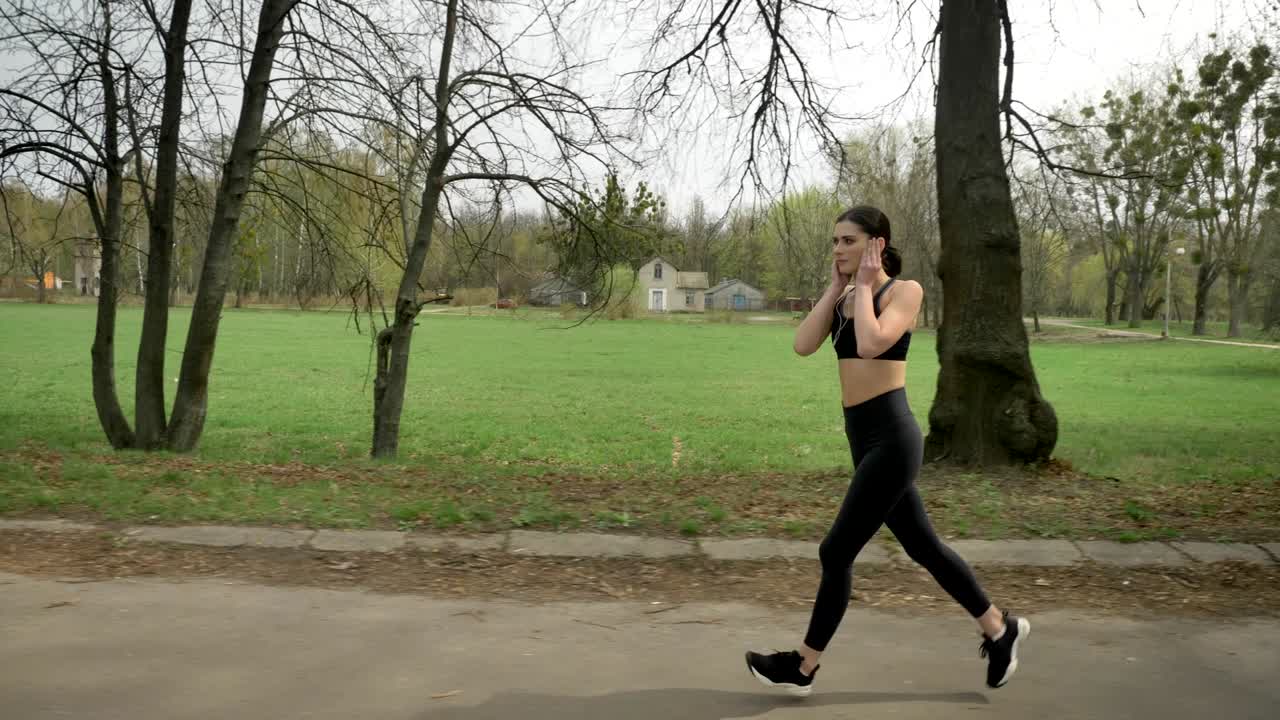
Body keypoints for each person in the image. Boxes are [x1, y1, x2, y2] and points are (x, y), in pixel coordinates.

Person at [744, 206, 1030, 697]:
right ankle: (999, 629)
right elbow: (802, 344)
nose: (838, 250)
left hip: (893, 440)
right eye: (835, 241)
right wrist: (837, 289)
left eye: (849, 241)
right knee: (924, 548)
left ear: (877, 244)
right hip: (863, 439)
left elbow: (874, 344)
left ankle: (804, 666)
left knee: (835, 552)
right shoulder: (844, 296)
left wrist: (867, 287)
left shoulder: (904, 291)